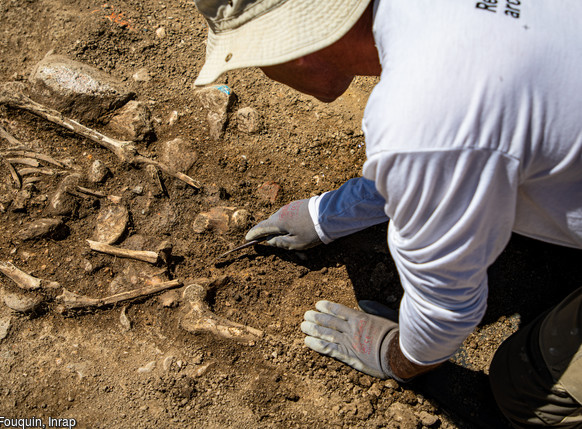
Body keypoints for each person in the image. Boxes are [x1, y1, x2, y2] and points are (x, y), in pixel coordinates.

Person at [193, 0, 582, 427]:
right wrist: (326, 214)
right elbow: (452, 154)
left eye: (256, 62)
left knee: (528, 390)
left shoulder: (425, 115)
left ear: (293, 50)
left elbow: (447, 311)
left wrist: (397, 357)